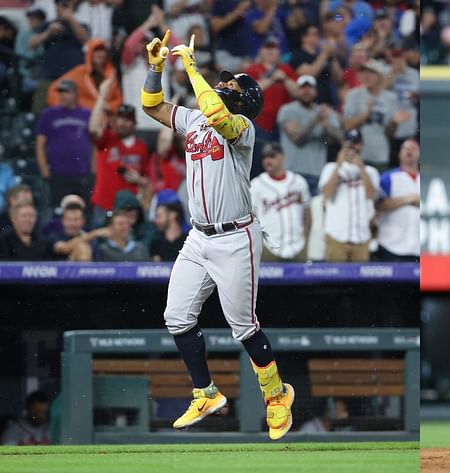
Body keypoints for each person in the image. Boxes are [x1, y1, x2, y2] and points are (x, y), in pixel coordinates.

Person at [141, 31, 294, 439]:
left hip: (235, 238)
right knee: (176, 316)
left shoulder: (242, 127)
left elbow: (217, 115)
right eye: (221, 82)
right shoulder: (193, 117)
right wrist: (157, 68)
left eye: (231, 84)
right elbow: (150, 105)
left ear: (245, 99)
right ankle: (204, 392)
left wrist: (190, 66)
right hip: (199, 237)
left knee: (243, 326)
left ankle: (277, 397)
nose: (223, 84)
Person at [89, 78, 150, 226]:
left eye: (127, 119)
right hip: (104, 205)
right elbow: (92, 129)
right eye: (120, 118)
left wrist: (139, 180)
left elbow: (147, 180)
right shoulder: (107, 139)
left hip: (128, 209)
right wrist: (102, 96)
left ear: (134, 123)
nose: (123, 122)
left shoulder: (141, 147)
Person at [318, 129, 378, 262]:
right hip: (336, 235)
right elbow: (326, 194)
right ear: (343, 144)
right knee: (335, 281)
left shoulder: (370, 171)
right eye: (349, 144)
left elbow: (371, 195)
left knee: (361, 282)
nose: (352, 148)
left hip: (362, 236)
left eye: (355, 144)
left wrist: (361, 167)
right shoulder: (330, 168)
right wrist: (339, 164)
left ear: (361, 145)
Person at [278, 75, 343, 194]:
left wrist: (326, 127)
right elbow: (296, 138)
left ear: (316, 91)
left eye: (310, 88)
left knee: (315, 212)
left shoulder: (325, 112)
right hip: (293, 172)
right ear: (297, 91)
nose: (306, 91)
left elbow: (340, 139)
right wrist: (316, 120)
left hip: (317, 173)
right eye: (303, 88)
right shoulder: (287, 110)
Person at [36, 79, 94, 209]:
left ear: (75, 94)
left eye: (66, 92)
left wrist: (93, 170)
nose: (62, 95)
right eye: (60, 92)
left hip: (82, 174)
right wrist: (44, 169)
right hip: (58, 174)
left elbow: (94, 143)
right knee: (58, 212)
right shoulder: (49, 114)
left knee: (83, 212)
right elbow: (40, 144)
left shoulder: (87, 114)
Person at [342, 59, 409, 168]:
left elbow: (389, 134)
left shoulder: (390, 98)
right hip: (356, 155)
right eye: (364, 72)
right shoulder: (353, 95)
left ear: (380, 76)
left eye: (372, 72)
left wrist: (394, 123)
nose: (367, 76)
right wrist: (366, 113)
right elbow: (347, 126)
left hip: (380, 154)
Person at [250, 143, 311, 262]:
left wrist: (305, 240)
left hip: (298, 247)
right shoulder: (256, 185)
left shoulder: (298, 182)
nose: (267, 160)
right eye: (265, 157)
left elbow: (307, 214)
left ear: (283, 157)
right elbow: (251, 218)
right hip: (268, 249)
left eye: (272, 156)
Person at [244, 36, 299, 141]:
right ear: (261, 50)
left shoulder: (286, 69)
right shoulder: (253, 69)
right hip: (260, 122)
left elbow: (297, 92)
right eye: (267, 47)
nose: (270, 51)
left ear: (279, 51)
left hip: (283, 123)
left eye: (273, 47)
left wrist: (285, 79)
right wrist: (273, 79)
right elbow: (249, 90)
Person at [46, 38, 122, 113]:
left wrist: (110, 107)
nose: (99, 54)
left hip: (107, 117)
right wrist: (65, 109)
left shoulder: (112, 73)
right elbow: (54, 88)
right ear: (89, 53)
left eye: (102, 50)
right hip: (83, 117)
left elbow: (118, 99)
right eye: (95, 50)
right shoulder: (80, 72)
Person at [375, 138, 419, 262]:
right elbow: (379, 205)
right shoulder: (388, 177)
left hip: (418, 246)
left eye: (413, 149)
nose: (409, 152)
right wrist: (410, 199)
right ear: (399, 154)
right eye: (405, 148)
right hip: (391, 244)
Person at [289, 23, 343, 107]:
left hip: (328, 103)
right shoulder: (297, 56)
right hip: (309, 104)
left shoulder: (321, 56)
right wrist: (325, 52)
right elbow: (309, 74)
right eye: (314, 34)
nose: (318, 37)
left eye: (318, 34)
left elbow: (339, 78)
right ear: (304, 38)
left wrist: (332, 57)